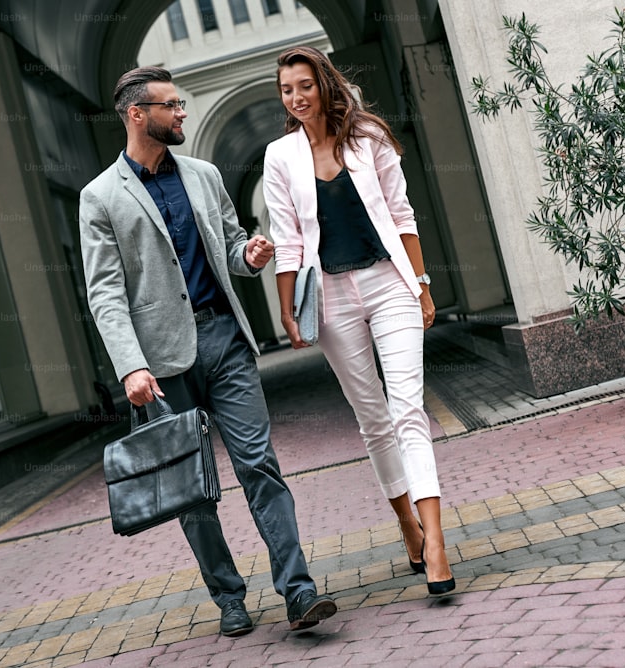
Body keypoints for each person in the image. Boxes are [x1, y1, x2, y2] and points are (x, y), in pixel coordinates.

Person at [79, 66, 338, 637]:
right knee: (190, 490)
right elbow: (105, 293)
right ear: (136, 114)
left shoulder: (202, 174)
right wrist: (130, 367)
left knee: (260, 467)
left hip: (223, 340)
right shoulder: (99, 197)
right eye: (171, 106)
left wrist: (251, 254)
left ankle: (298, 592)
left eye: (182, 104)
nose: (182, 114)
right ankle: (228, 597)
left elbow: (231, 244)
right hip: (159, 367)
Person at [262, 45, 455, 596]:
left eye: (304, 85)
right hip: (330, 299)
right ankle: (406, 524)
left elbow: (402, 214)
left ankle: (436, 542)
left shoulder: (367, 138)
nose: (296, 98)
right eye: (286, 90)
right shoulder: (281, 156)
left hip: (386, 282)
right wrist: (287, 310)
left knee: (408, 409)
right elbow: (288, 241)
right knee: (372, 418)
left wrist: (420, 285)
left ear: (323, 84)